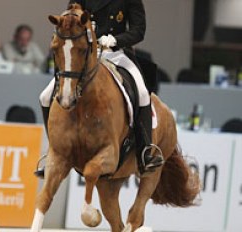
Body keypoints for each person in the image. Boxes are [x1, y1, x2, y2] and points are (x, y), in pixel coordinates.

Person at [39, 0, 164, 175]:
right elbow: (72, 17)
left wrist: (115, 40)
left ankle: (145, 152)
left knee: (143, 93)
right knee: (45, 96)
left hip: (117, 53)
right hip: (85, 53)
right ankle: (52, 152)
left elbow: (138, 31)